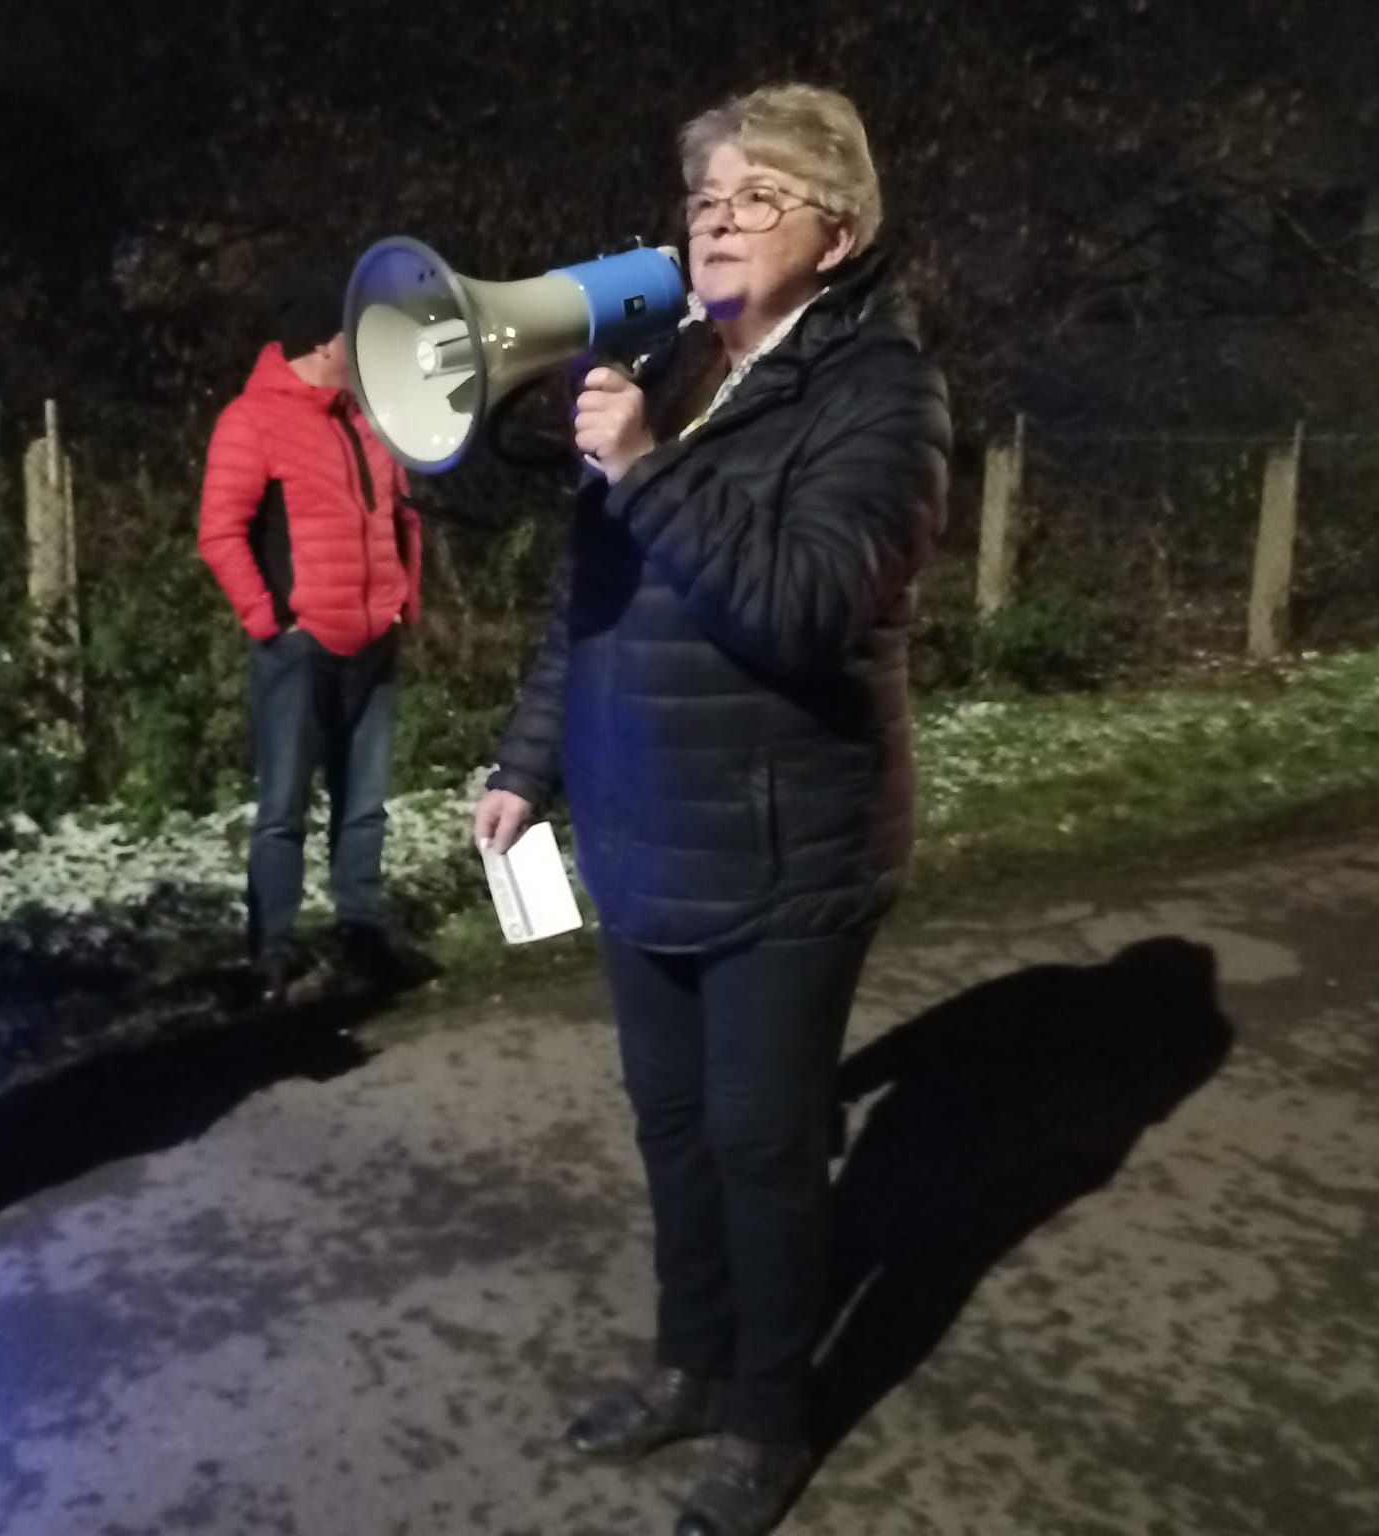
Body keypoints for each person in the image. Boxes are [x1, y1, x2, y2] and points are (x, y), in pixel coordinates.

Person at [472, 84, 951, 1536]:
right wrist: (526, 766)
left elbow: (802, 611)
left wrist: (642, 465)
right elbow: (592, 608)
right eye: (704, 197)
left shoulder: (881, 397)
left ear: (838, 234)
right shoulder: (676, 372)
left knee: (761, 1144)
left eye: (757, 196)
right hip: (639, 833)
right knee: (673, 1127)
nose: (716, 219)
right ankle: (690, 1364)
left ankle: (766, 1417)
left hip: (782, 842)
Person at [197, 274, 423, 1004]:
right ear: (326, 343)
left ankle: (361, 934)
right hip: (299, 647)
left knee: (365, 805)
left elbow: (401, 515)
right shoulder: (251, 421)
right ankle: (271, 949)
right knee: (283, 808)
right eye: (355, 335)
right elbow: (220, 532)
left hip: (373, 639)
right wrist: (269, 620)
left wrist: (403, 603)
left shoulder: (370, 417)